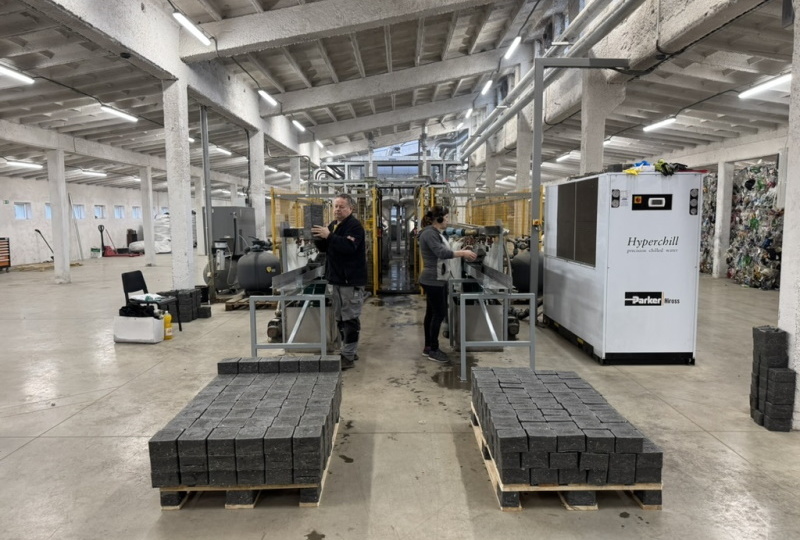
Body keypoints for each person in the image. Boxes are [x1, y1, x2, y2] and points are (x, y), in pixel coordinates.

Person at [312, 193, 367, 371]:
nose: (337, 210)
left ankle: (348, 356)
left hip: (350, 281)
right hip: (336, 279)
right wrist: (317, 237)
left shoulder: (354, 226)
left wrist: (329, 236)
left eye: (341, 207)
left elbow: (349, 247)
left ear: (351, 209)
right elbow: (326, 248)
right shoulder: (334, 225)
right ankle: (348, 350)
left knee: (350, 318)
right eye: (335, 206)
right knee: (340, 318)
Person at [417, 206, 477, 364]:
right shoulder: (430, 234)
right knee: (439, 314)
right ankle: (433, 349)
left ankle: (428, 347)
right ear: (439, 219)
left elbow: (444, 250)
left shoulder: (435, 233)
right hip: (433, 279)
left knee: (432, 313)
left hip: (437, 278)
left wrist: (463, 249)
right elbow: (441, 253)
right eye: (446, 217)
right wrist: (462, 253)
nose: (448, 220)